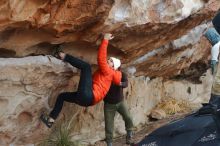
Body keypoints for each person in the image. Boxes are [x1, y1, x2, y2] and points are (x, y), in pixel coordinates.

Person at [40, 33, 122, 128]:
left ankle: (62, 55)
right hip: (86, 101)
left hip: (89, 95)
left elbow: (101, 59)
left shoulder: (110, 72)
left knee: (86, 67)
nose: (109, 60)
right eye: (109, 59)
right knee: (62, 97)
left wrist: (105, 40)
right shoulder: (107, 74)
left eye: (111, 61)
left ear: (113, 67)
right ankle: (51, 120)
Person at [104, 71, 134, 146]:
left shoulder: (121, 73)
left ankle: (129, 136)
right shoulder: (104, 73)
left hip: (120, 102)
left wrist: (119, 83)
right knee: (109, 125)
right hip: (109, 105)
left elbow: (126, 83)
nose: (108, 63)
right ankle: (109, 143)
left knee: (128, 117)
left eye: (111, 61)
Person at [204, 27, 220, 104]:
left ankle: (212, 106)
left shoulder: (216, 46)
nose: (209, 41)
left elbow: (214, 63)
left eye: (208, 38)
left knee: (216, 90)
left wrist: (213, 73)